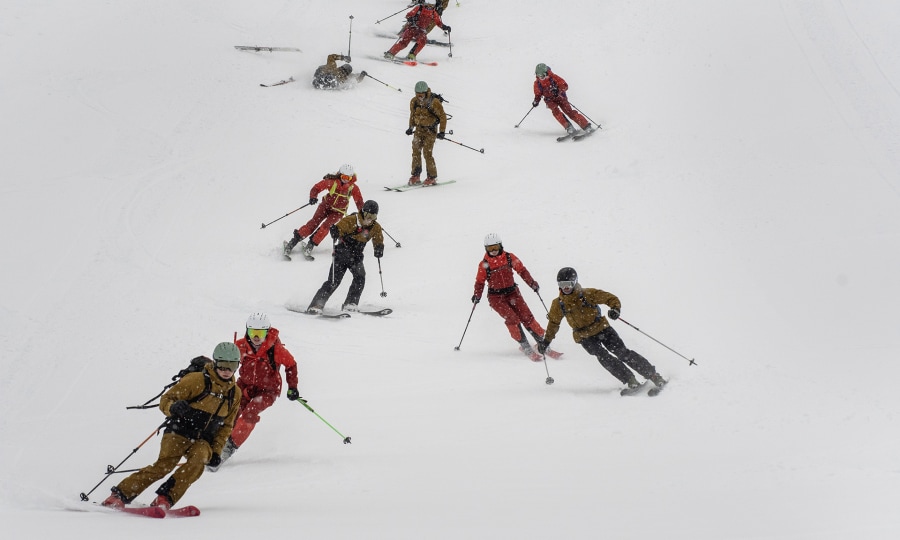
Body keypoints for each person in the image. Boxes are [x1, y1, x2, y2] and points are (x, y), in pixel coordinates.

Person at [102, 342, 242, 510]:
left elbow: (226, 426)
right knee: (163, 467)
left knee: (199, 461)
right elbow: (166, 400)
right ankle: (119, 495)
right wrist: (173, 408)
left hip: (202, 439)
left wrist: (217, 451)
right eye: (222, 365)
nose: (227, 370)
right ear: (214, 362)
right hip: (179, 431)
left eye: (232, 366)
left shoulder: (235, 394)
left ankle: (165, 499)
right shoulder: (196, 380)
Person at [537, 267, 667, 394]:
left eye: (568, 284)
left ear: (575, 282)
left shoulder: (587, 294)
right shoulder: (558, 304)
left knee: (622, 352)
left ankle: (654, 375)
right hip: (584, 336)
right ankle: (630, 380)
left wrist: (615, 309)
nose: (565, 288)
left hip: (602, 329)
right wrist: (546, 341)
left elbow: (610, 298)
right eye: (562, 284)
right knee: (604, 357)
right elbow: (553, 323)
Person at [211, 312, 300, 469]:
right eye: (253, 332)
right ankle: (215, 442)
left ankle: (228, 448)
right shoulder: (240, 346)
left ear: (267, 332)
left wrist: (292, 387)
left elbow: (291, 365)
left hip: (268, 391)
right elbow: (223, 360)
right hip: (244, 386)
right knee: (231, 410)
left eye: (260, 333)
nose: (256, 337)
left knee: (250, 413)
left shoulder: (275, 350)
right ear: (247, 331)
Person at [471, 233, 555, 360]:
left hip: (512, 292)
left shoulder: (509, 257)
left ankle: (542, 343)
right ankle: (525, 346)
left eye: (495, 247)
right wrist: (477, 295)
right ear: (486, 249)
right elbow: (480, 282)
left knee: (526, 316)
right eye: (490, 249)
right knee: (512, 319)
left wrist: (532, 283)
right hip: (496, 297)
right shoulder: (484, 264)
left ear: (500, 246)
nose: (493, 251)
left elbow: (521, 270)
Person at [307, 200, 384, 313]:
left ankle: (351, 303)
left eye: (373, 216)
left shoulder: (375, 227)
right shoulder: (351, 220)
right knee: (334, 281)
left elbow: (378, 237)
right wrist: (335, 231)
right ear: (363, 212)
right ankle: (316, 305)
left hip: (356, 256)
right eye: (368, 215)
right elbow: (339, 227)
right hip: (342, 253)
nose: (370, 218)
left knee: (360, 278)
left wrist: (378, 247)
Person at [284, 164, 365, 260]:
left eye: (348, 177)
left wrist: (363, 212)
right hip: (325, 206)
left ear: (351, 177)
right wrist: (313, 197)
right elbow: (316, 187)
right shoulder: (332, 181)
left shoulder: (353, 188)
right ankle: (293, 242)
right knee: (313, 223)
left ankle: (311, 244)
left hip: (338, 212)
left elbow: (359, 201)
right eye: (343, 177)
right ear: (340, 174)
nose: (345, 179)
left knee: (326, 227)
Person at [532, 63, 595, 137]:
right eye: (538, 75)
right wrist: (536, 100)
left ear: (546, 73)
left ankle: (586, 126)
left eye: (542, 75)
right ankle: (569, 127)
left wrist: (558, 89)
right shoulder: (537, 83)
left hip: (560, 97)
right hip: (550, 100)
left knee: (569, 112)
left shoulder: (554, 77)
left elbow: (565, 85)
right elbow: (538, 93)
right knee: (556, 112)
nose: (540, 77)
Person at [404, 81, 447, 186]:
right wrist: (410, 127)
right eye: (417, 94)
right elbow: (412, 115)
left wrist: (442, 131)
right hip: (419, 130)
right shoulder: (414, 102)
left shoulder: (434, 102)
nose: (419, 96)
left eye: (421, 94)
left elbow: (443, 116)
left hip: (430, 131)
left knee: (427, 153)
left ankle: (432, 177)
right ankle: (416, 175)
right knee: (415, 151)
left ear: (426, 92)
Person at [384, 2, 451, 61]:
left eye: (432, 5)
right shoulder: (419, 8)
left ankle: (412, 54)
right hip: (412, 28)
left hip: (421, 31)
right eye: (429, 4)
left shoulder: (433, 13)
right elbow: (408, 15)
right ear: (426, 3)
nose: (430, 6)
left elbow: (438, 22)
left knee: (422, 40)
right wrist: (411, 19)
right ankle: (391, 53)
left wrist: (445, 27)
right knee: (404, 43)